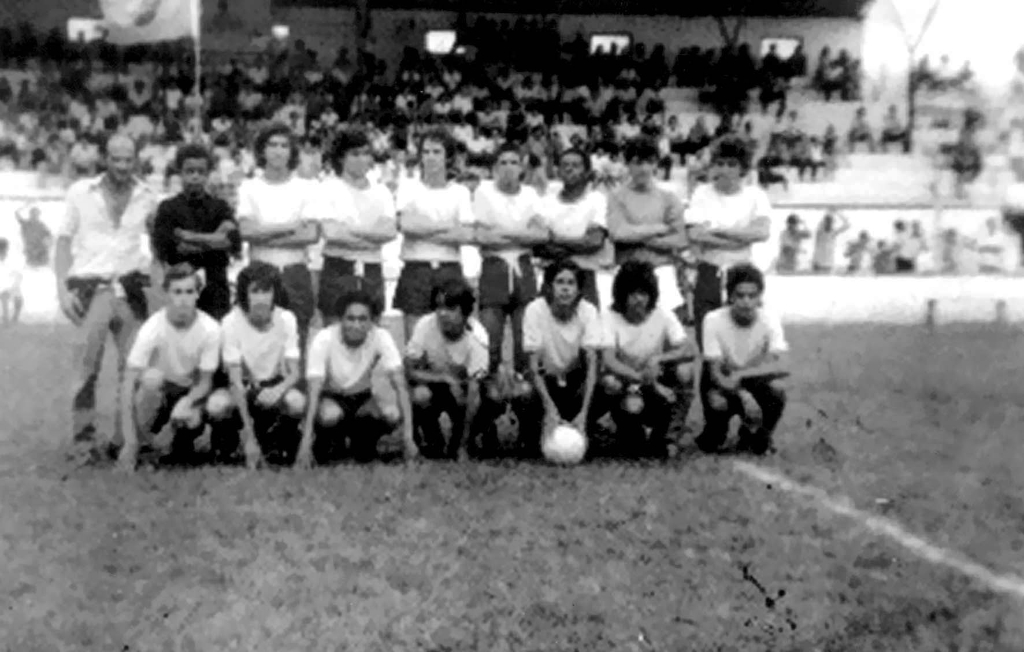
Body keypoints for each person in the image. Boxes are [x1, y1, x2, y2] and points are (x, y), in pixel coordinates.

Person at [55, 133, 160, 460]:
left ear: (136, 160)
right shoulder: (80, 193)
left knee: (136, 368)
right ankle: (84, 444)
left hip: (130, 290)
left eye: (128, 159)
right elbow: (62, 242)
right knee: (86, 372)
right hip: (91, 288)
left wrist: (156, 287)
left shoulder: (147, 196)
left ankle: (125, 439)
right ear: (105, 159)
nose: (122, 166)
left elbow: (157, 247)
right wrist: (61, 288)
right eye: (116, 159)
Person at [296, 285, 416, 467]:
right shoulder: (324, 339)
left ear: (371, 322)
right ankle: (329, 443)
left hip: (362, 398)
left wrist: (408, 436)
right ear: (340, 319)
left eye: (362, 319)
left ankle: (363, 445)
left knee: (391, 413)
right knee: (329, 416)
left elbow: (400, 385)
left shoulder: (381, 336)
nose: (356, 325)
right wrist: (305, 442)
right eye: (350, 318)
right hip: (331, 398)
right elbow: (313, 391)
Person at [117, 264, 222, 472]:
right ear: (166, 294)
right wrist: (129, 441)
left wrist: (188, 401)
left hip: (188, 393)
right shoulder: (152, 327)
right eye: (177, 292)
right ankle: (143, 443)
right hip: (160, 392)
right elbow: (129, 382)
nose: (183, 299)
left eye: (189, 292)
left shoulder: (210, 329)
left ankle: (176, 445)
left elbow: (205, 382)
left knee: (190, 419)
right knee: (150, 378)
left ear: (197, 294)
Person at [205, 262, 306, 468]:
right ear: (244, 294)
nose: (261, 298)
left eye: (266, 291)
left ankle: (280, 440)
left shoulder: (286, 319)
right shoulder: (230, 322)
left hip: (273, 384)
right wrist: (249, 440)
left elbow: (294, 373)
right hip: (242, 386)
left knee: (296, 402)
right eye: (255, 291)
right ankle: (228, 443)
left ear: (275, 293)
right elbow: (234, 381)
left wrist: (278, 390)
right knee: (216, 405)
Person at [237, 122, 321, 357]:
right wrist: (289, 228)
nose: (278, 150)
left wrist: (265, 233)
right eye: (272, 144)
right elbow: (246, 233)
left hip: (295, 271)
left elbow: (310, 235)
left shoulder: (307, 188)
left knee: (297, 341)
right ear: (262, 150)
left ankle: (295, 390)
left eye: (284, 145)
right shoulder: (249, 188)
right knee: (259, 341)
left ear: (292, 151)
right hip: (259, 271)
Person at [598, 260, 696, 459]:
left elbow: (690, 349)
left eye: (643, 293)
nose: (638, 300)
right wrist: (645, 380)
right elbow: (609, 360)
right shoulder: (608, 317)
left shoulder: (662, 314)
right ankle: (629, 434)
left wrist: (660, 359)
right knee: (611, 382)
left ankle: (669, 437)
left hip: (655, 381)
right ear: (621, 294)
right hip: (627, 384)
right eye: (632, 294)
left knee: (685, 370)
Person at [685, 136, 772, 351]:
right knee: (706, 333)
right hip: (709, 270)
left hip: (742, 274)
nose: (725, 170)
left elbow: (761, 232)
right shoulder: (702, 193)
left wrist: (719, 231)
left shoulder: (755, 196)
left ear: (742, 168)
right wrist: (739, 238)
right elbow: (695, 234)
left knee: (740, 336)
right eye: (720, 163)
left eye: (732, 164)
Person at [696, 263, 788, 456]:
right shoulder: (713, 320)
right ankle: (715, 432)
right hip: (723, 380)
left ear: (760, 297)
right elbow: (715, 372)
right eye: (740, 296)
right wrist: (743, 395)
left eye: (752, 296)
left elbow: (783, 365)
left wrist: (743, 375)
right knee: (712, 441)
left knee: (778, 388)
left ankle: (757, 435)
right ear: (730, 296)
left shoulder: (769, 320)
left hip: (751, 378)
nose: (746, 302)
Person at [471, 143, 549, 373]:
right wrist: (522, 235)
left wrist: (504, 233)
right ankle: (490, 396)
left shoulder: (530, 194)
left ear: (522, 167)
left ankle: (524, 397)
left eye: (513, 162)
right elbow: (483, 236)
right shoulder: (484, 192)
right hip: (494, 268)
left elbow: (542, 235)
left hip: (523, 270)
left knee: (525, 342)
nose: (508, 167)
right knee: (489, 341)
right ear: (495, 167)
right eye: (503, 162)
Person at [392, 128, 475, 342]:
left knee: (452, 337)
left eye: (436, 151)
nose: (430, 157)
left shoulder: (460, 192)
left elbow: (466, 234)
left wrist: (424, 229)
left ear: (448, 156)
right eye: (426, 151)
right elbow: (406, 225)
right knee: (415, 340)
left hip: (449, 267)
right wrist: (446, 228)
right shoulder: (408, 187)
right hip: (416, 267)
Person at [520, 259, 602, 458]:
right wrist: (549, 408)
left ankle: (586, 427)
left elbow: (592, 364)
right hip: (546, 381)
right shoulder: (535, 310)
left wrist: (584, 412)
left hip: (574, 381)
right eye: (560, 282)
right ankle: (531, 434)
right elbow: (533, 365)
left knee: (605, 387)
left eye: (571, 283)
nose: (565, 289)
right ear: (549, 286)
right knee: (523, 392)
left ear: (579, 289)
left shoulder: (588, 311)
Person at [150, 143, 240, 320]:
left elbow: (230, 241)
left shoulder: (220, 207)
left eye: (201, 171)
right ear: (180, 172)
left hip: (216, 290)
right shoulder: (168, 208)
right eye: (190, 171)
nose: (195, 176)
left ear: (208, 174)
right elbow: (168, 247)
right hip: (180, 287)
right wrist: (213, 241)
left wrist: (189, 236)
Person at [405, 276, 489, 460]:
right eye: (438, 307)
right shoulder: (425, 325)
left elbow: (475, 392)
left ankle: (465, 440)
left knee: (486, 398)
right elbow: (408, 371)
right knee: (419, 395)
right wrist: (444, 378)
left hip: (464, 391)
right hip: (435, 386)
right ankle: (432, 441)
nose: (442, 314)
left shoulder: (478, 338)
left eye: (450, 308)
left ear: (465, 311)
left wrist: (462, 447)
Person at [318, 128, 396, 324]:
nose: (362, 159)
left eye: (365, 153)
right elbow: (332, 233)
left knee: (371, 334)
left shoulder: (382, 192)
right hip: (338, 267)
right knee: (334, 335)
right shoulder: (328, 188)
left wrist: (350, 230)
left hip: (372, 269)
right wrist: (372, 238)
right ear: (341, 158)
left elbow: (389, 231)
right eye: (354, 154)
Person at [606, 137, 689, 317]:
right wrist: (658, 229)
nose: (643, 169)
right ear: (627, 164)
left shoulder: (669, 198)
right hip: (626, 272)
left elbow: (680, 240)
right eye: (637, 162)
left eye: (649, 162)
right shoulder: (616, 197)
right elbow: (618, 233)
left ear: (656, 164)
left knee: (669, 334)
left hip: (661, 269)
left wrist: (638, 236)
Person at [534, 148, 611, 307]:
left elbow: (594, 242)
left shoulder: (597, 200)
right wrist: (577, 243)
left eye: (576, 165)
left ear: (587, 172)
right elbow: (538, 245)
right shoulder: (546, 202)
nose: (569, 169)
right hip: (551, 275)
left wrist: (555, 239)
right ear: (558, 171)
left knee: (588, 330)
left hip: (585, 276)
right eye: (564, 165)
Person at [811, 209, 850, 273]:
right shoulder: (820, 232)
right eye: (827, 221)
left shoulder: (834, 233)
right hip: (817, 264)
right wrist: (829, 212)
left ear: (832, 223)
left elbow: (847, 225)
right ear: (824, 222)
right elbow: (822, 222)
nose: (829, 223)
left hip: (828, 265)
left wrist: (838, 212)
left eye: (830, 222)